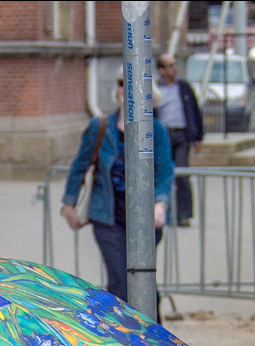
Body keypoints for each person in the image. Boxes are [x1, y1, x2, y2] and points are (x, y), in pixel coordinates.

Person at [60, 71, 174, 303]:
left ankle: (153, 334)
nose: (127, 90)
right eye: (123, 83)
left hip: (145, 219)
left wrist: (160, 203)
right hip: (108, 216)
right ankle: (123, 335)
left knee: (143, 280)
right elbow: (80, 164)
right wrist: (69, 202)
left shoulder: (157, 130)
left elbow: (165, 170)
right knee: (120, 281)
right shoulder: (100, 126)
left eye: (134, 85)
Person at [155, 53, 203, 226]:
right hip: (162, 137)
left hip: (181, 135)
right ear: (161, 70)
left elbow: (195, 111)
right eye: (169, 65)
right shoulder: (155, 89)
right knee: (163, 174)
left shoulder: (183, 87)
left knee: (182, 173)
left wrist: (198, 136)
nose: (174, 68)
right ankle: (162, 212)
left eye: (174, 65)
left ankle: (183, 214)